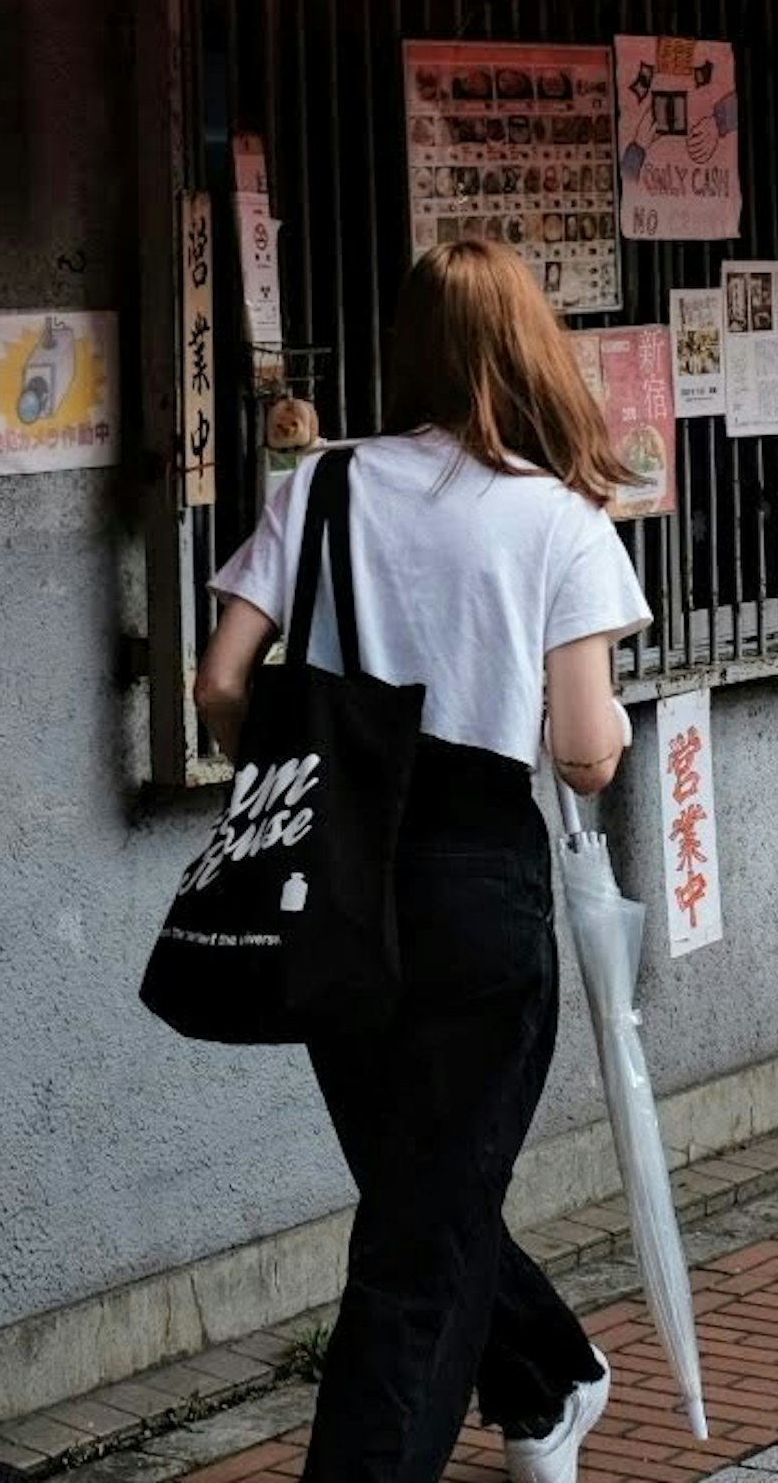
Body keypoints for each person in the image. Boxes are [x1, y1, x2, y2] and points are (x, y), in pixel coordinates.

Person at [193, 240, 643, 1483]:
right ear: (529, 349)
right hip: (478, 886)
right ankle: (521, 1396)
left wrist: (291, 768)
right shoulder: (561, 521)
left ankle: (546, 1378)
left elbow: (220, 682)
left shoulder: (322, 487)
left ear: (412, 348)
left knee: (416, 1196)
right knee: (416, 1233)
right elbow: (588, 750)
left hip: (338, 883)